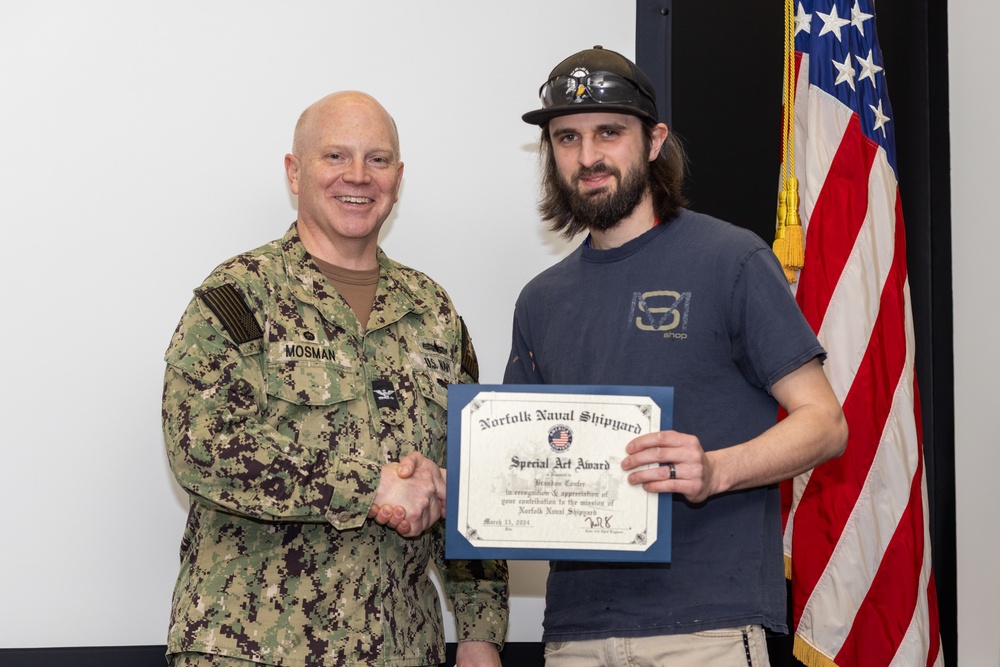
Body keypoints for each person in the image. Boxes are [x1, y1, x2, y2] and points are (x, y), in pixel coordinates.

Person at [506, 46, 848, 665]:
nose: (588, 157)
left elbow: (825, 424)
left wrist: (715, 470)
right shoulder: (540, 301)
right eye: (567, 138)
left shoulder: (730, 259)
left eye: (609, 132)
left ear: (654, 140)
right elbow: (517, 465)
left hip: (705, 628)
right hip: (573, 634)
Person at [162, 91, 508, 667]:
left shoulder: (434, 312)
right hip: (253, 648)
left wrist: (479, 634)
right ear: (295, 172)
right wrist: (369, 486)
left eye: (377, 160)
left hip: (401, 648)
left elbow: (468, 477)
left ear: (398, 177)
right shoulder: (241, 296)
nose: (358, 176)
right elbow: (200, 448)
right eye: (335, 157)